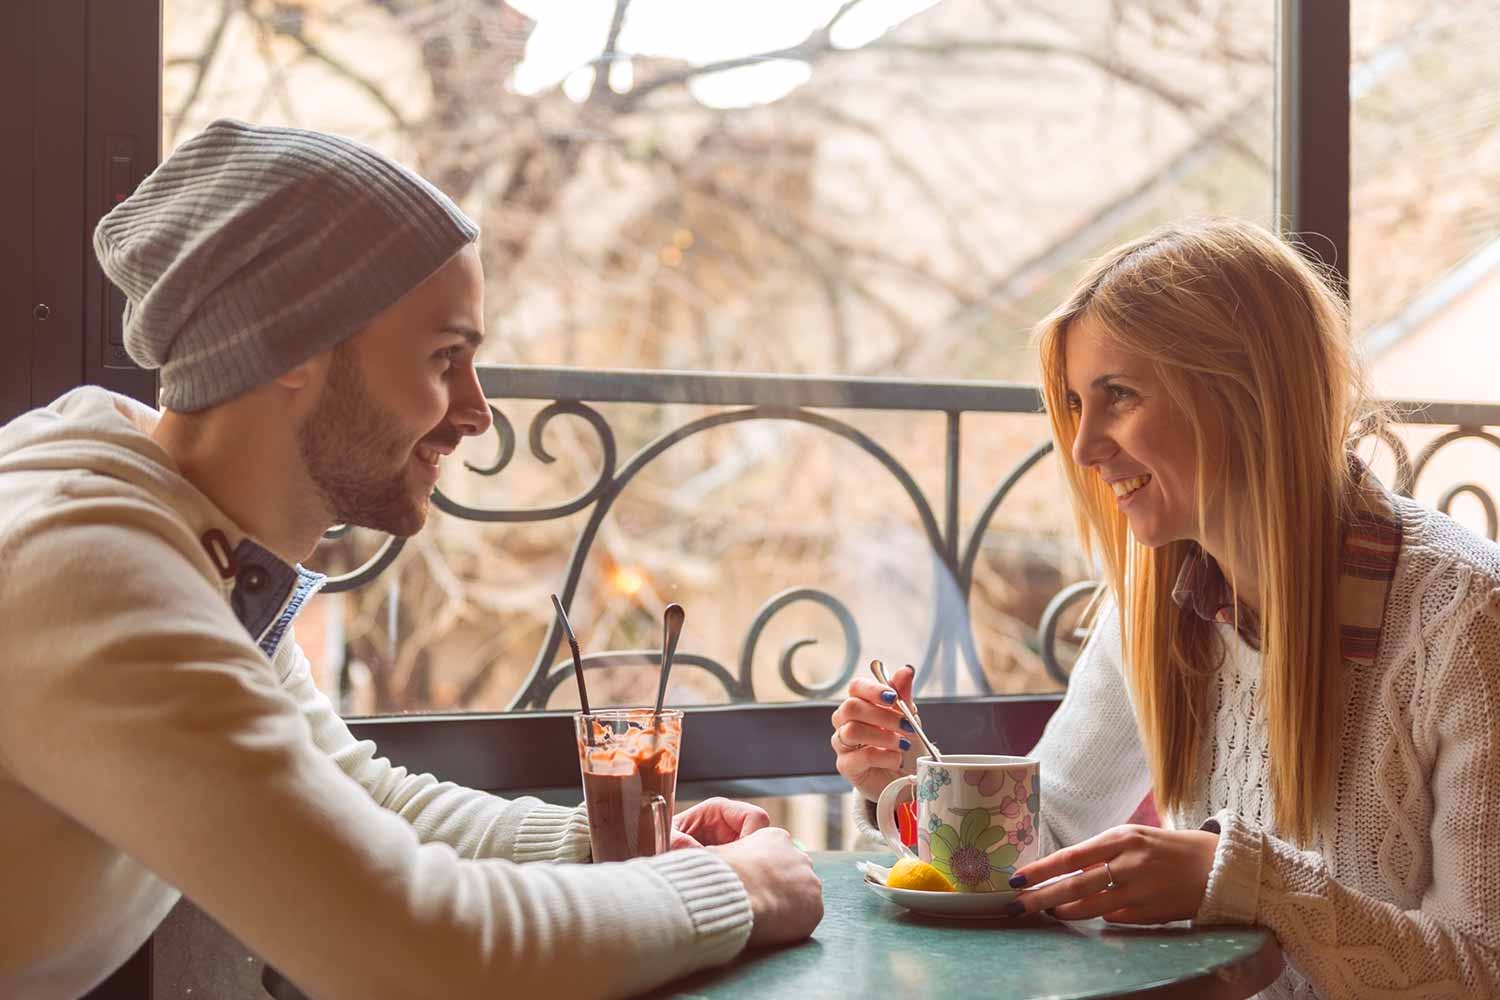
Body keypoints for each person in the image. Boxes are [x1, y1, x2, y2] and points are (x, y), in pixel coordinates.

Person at [0, 118, 821, 1000]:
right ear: (291, 350)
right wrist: (738, 887)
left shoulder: (183, 536)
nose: (477, 412)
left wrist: (606, 843)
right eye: (445, 358)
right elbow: (420, 944)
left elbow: (344, 793)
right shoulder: (99, 575)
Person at [831, 219, 1500, 998]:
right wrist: (915, 782)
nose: (1083, 449)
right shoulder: (1155, 606)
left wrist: (1252, 884)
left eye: (1118, 395)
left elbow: (1481, 968)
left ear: (1248, 395)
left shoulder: (1467, 620)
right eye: (1077, 404)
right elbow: (1043, 851)